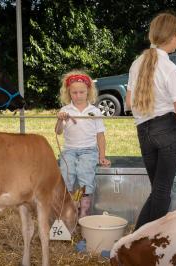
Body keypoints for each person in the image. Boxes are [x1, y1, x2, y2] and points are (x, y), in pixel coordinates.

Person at [125, 12, 176, 230]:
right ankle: (150, 245)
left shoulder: (136, 64)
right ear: (172, 37)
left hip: (143, 132)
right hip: (167, 131)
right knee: (162, 193)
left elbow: (129, 102)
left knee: (158, 191)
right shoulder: (172, 69)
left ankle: (134, 241)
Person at [55, 70, 111, 218]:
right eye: (74, 93)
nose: (78, 96)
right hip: (69, 151)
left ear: (88, 92)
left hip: (89, 150)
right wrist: (60, 120)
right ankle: (70, 206)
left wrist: (102, 156)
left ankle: (83, 209)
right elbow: (58, 132)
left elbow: (100, 135)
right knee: (67, 175)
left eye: (81, 92)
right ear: (68, 93)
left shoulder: (94, 111)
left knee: (84, 173)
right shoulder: (65, 110)